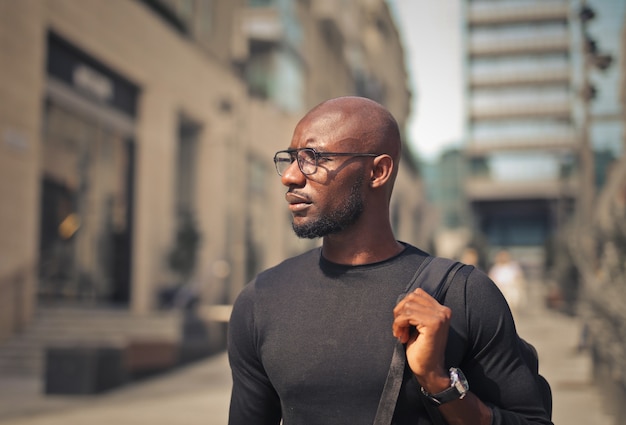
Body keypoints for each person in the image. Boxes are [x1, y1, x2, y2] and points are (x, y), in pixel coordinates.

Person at [227, 96, 552, 425]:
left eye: (312, 157)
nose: (291, 177)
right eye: (292, 158)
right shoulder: (261, 300)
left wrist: (438, 382)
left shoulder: (463, 294)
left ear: (378, 171)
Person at [488, 250, 527, 318]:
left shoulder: (513, 267)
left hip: (511, 290)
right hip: (500, 290)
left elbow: (519, 278)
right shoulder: (495, 268)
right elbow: (491, 279)